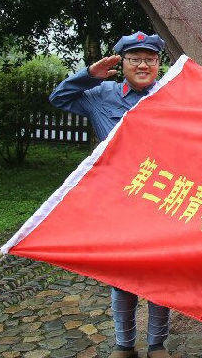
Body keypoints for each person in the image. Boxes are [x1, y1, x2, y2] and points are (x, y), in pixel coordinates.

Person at [49, 32, 174, 358]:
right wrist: (88, 75)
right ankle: (124, 344)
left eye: (150, 59)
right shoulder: (102, 94)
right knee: (121, 276)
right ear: (124, 62)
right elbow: (58, 98)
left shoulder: (171, 96)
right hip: (119, 203)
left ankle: (157, 344)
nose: (143, 64)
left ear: (159, 64)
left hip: (161, 201)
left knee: (160, 274)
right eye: (135, 59)